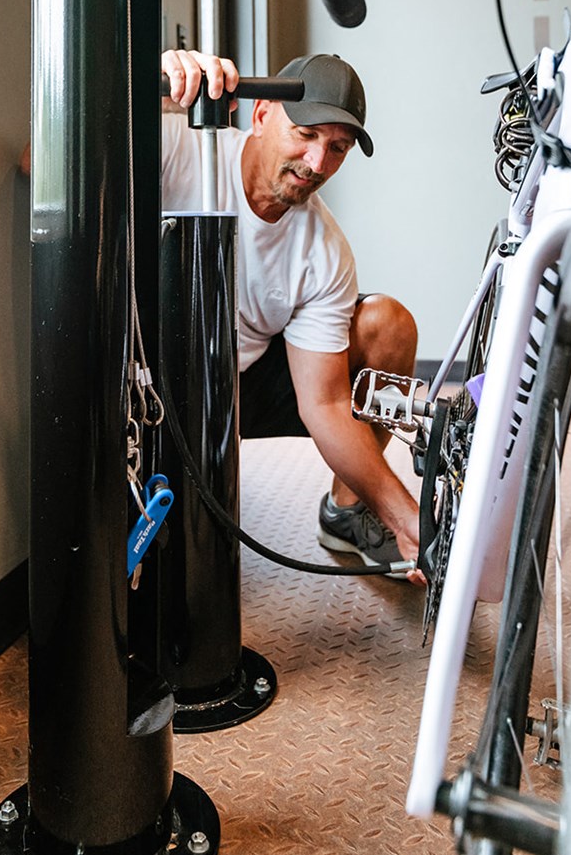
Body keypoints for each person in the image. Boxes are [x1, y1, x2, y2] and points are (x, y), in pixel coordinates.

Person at [162, 46, 422, 579]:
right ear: (260, 116)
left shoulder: (324, 250)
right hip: (157, 381)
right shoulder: (178, 148)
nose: (318, 164)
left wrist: (407, 518)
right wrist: (148, 89)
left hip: (247, 385)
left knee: (387, 325)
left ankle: (349, 514)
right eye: (306, 135)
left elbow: (325, 403)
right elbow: (38, 161)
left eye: (338, 147)